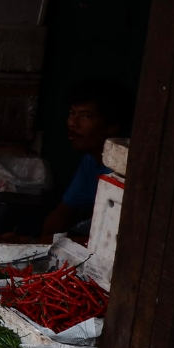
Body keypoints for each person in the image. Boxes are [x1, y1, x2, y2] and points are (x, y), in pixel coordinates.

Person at [39, 79, 131, 240]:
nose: (72, 123)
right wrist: (36, 242)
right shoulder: (90, 161)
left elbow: (114, 242)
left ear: (112, 126)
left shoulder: (123, 170)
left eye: (86, 116)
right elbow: (62, 214)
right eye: (72, 113)